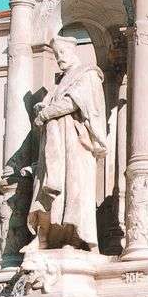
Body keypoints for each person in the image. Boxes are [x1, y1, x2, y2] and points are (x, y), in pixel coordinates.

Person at [24, 35, 107, 254]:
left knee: (75, 190)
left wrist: (46, 113)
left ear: (72, 51)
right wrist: (43, 108)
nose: (59, 59)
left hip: (76, 144)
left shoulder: (87, 74)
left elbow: (75, 102)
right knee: (44, 189)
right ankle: (43, 238)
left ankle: (74, 237)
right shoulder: (61, 82)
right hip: (54, 145)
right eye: (56, 54)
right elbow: (58, 103)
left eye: (62, 54)